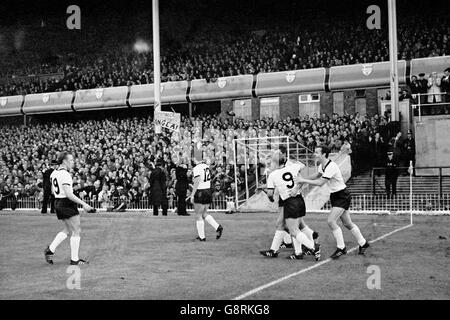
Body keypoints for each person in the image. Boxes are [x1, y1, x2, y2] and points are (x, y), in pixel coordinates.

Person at [295, 145, 370, 259]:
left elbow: (320, 182)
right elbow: (317, 175)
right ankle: (363, 243)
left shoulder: (331, 166)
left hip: (342, 196)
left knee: (331, 221)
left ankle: (341, 248)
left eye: (317, 152)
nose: (314, 154)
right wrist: (302, 181)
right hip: (336, 195)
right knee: (347, 223)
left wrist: (303, 180)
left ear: (324, 154)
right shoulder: (323, 165)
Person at [260, 150, 320, 260]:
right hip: (299, 199)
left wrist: (269, 196)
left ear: (275, 163)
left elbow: (270, 194)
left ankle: (313, 247)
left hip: (289, 202)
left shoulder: (272, 175)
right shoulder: (293, 167)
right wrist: (297, 186)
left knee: (293, 230)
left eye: (271, 163)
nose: (269, 165)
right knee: (287, 225)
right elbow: (302, 167)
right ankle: (286, 251)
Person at [44, 152, 95, 265]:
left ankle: (50, 250)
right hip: (66, 203)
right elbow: (68, 194)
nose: (73, 162)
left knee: (67, 230)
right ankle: (74, 260)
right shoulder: (65, 174)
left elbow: (54, 191)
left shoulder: (54, 173)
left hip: (58, 202)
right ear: (64, 161)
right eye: (71, 160)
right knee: (76, 231)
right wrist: (84, 204)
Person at [190, 158, 223, 241]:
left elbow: (197, 181)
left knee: (198, 215)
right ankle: (217, 227)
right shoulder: (206, 166)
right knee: (204, 213)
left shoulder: (197, 168)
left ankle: (202, 237)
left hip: (200, 191)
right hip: (208, 190)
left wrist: (192, 194)